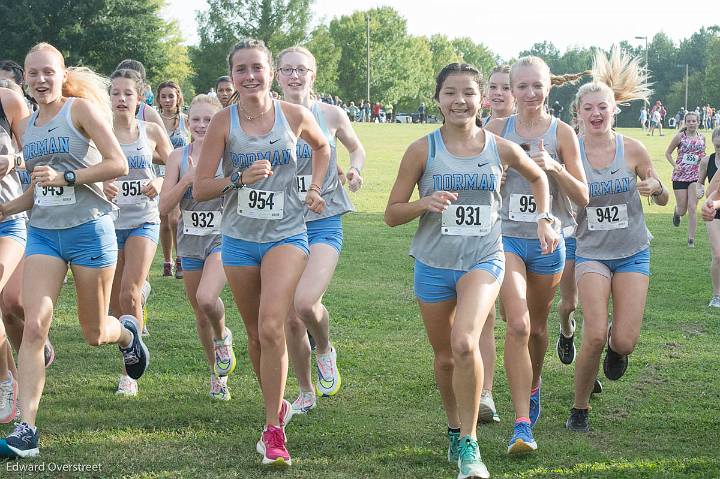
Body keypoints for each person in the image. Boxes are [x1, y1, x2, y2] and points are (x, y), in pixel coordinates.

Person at [386, 62, 556, 479]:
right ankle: (454, 427)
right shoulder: (421, 150)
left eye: (468, 93)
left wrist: (544, 217)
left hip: (484, 258)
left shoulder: (499, 147)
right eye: (450, 93)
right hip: (433, 264)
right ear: (438, 99)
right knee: (445, 358)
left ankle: (470, 444)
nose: (459, 101)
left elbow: (538, 177)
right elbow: (391, 214)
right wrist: (423, 203)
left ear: (482, 98)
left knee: (465, 343)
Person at [2, 42, 149, 457]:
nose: (40, 80)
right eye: (33, 74)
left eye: (48, 72)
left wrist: (68, 176)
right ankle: (26, 430)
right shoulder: (27, 126)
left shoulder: (78, 111)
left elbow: (117, 163)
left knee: (93, 331)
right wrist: (6, 209)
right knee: (34, 327)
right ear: (25, 80)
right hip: (45, 234)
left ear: (62, 73)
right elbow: (36, 188)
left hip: (90, 230)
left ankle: (125, 333)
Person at [193, 38, 330, 467]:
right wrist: (239, 179)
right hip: (238, 239)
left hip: (287, 236)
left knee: (273, 325)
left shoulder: (293, 115)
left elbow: (323, 148)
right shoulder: (222, 122)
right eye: (241, 70)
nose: (250, 76)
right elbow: (201, 189)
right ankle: (276, 406)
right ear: (231, 75)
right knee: (255, 333)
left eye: (257, 67)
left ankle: (273, 430)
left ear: (271, 71)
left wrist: (313, 186)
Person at [485, 56, 589, 454]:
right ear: (511, 89)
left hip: (549, 240)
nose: (529, 94)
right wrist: (495, 176)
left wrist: (556, 168)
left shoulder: (562, 133)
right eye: (522, 86)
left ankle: (534, 384)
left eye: (536, 86)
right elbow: (478, 185)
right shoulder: (495, 129)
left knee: (539, 328)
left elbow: (583, 196)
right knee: (518, 326)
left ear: (549, 88)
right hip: (506, 237)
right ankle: (522, 424)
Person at [566, 47, 668, 433]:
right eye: (588, 108)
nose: (595, 114)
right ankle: (579, 409)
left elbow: (661, 196)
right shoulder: (570, 151)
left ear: (614, 110)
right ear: (577, 113)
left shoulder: (633, 149)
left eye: (602, 108)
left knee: (623, 340)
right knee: (593, 331)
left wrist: (656, 186)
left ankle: (617, 347)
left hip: (632, 252)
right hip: (591, 251)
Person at [275, 46, 365, 418]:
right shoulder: (267, 116)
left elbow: (356, 147)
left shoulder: (330, 114)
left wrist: (355, 169)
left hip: (325, 218)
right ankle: (305, 390)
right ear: (277, 75)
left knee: (306, 303)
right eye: (288, 70)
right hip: (281, 224)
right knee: (290, 318)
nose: (295, 76)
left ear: (314, 75)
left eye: (302, 70)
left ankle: (325, 349)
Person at [159, 94, 235, 400]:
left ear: (218, 123)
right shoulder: (177, 157)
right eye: (196, 120)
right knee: (200, 315)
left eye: (208, 120)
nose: (202, 125)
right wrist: (187, 180)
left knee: (207, 298)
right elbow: (164, 206)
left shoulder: (230, 155)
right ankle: (217, 376)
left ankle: (223, 336)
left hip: (223, 236)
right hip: (189, 241)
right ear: (187, 123)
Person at [105, 69, 172, 395]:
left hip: (144, 220)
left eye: (127, 93)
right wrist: (100, 182)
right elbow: (86, 168)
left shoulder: (151, 131)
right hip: (108, 221)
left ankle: (129, 373)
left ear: (139, 97)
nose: (120, 99)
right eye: (115, 93)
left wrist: (160, 182)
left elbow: (177, 166)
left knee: (128, 293)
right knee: (116, 301)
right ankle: (135, 309)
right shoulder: (98, 132)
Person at [478, 64, 515, 423]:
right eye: (494, 87)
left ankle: (529, 384)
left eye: (507, 87)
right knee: (486, 315)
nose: (500, 93)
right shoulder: (480, 133)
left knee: (521, 320)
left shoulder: (537, 130)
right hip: (492, 231)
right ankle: (486, 392)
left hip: (533, 235)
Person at [0, 86, 30, 424]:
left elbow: (36, 154)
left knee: (13, 304)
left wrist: (13, 160)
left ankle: (27, 355)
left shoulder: (7, 101)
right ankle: (7, 379)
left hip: (8, 220)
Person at [156, 80, 188, 278]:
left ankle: (180, 258)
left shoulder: (187, 120)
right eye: (163, 96)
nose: (167, 100)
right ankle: (167, 260)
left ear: (178, 98)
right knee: (163, 220)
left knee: (175, 219)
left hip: (180, 174)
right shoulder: (154, 120)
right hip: (159, 174)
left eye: (171, 96)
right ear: (158, 99)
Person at [665, 111, 706, 247]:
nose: (691, 123)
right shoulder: (679, 137)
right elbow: (668, 153)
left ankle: (691, 240)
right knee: (682, 209)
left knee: (692, 208)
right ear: (685, 123)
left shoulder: (702, 138)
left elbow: (702, 156)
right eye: (689, 121)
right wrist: (675, 165)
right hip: (680, 176)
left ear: (698, 122)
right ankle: (676, 213)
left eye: (694, 121)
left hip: (695, 176)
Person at [698, 127, 720, 306]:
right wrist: (710, 203)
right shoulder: (708, 161)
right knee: (718, 255)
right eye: (718, 146)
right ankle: (717, 295)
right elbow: (711, 193)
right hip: (715, 213)